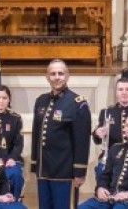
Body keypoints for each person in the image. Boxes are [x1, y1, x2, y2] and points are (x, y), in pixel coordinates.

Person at [32, 60, 92, 209]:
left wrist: (80, 171)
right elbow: (36, 135)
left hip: (64, 171)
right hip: (43, 170)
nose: (57, 77)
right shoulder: (41, 101)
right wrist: (35, 164)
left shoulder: (77, 103)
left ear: (67, 76)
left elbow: (82, 141)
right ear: (47, 77)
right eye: (53, 74)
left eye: (60, 73)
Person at [80, 113, 128, 209]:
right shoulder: (115, 148)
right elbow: (106, 174)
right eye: (127, 125)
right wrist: (101, 188)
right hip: (109, 197)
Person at [0, 86, 25, 160]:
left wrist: (12, 158)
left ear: (9, 99)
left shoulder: (15, 118)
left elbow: (18, 144)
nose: (1, 101)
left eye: (4, 98)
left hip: (10, 158)